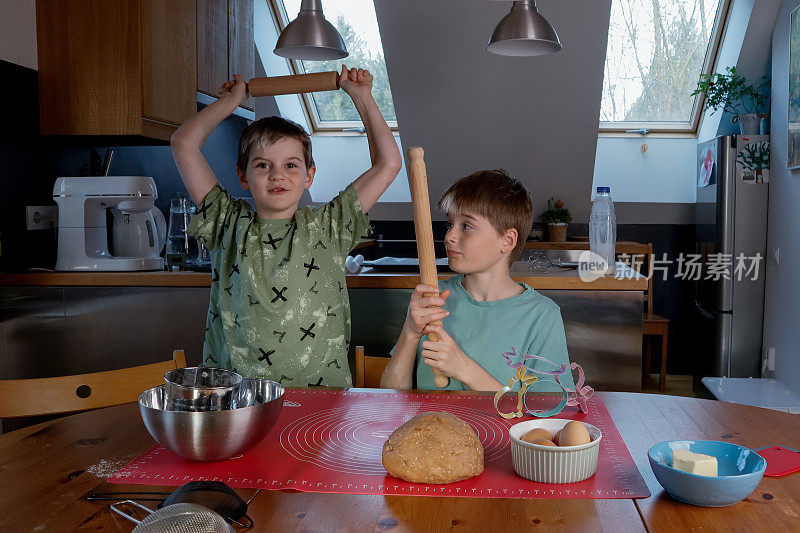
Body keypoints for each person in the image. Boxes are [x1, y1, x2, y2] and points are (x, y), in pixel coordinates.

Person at [170, 66, 402, 387]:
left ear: (309, 176)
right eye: (263, 165)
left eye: (291, 165)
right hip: (236, 400)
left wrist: (361, 97)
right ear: (243, 176)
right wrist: (233, 101)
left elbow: (388, 164)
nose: (277, 175)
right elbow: (183, 143)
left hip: (322, 402)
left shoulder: (329, 227)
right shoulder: (227, 223)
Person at [380, 170, 573, 391]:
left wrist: (464, 368)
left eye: (467, 226)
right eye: (450, 223)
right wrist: (411, 331)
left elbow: (545, 414)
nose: (450, 236)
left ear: (507, 240)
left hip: (498, 428)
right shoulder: (432, 299)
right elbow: (391, 396)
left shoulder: (541, 316)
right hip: (428, 424)